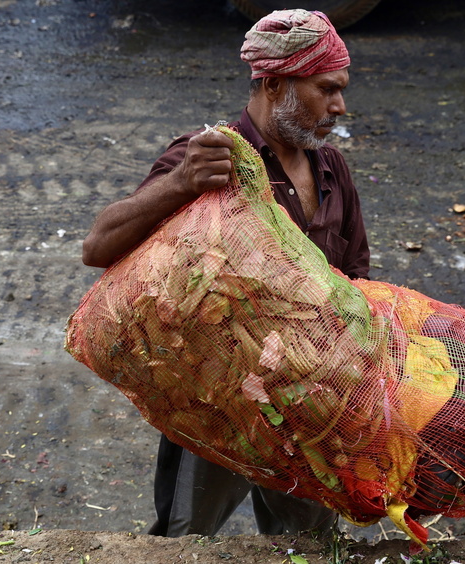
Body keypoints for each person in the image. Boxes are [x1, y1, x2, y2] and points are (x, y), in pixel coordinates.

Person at [81, 8, 370, 537]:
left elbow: (356, 277)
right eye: (326, 89)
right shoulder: (210, 156)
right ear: (276, 82)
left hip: (308, 405)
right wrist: (181, 185)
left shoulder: (331, 168)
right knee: (186, 539)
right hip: (218, 400)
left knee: (308, 542)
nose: (340, 106)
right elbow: (97, 246)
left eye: (341, 90)